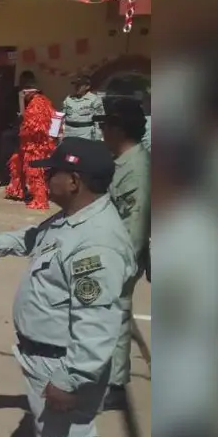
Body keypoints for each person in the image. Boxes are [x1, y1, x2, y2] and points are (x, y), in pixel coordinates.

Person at [0, 137, 136, 437]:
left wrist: (71, 381)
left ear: (74, 181)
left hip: (62, 364)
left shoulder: (97, 243)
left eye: (52, 172)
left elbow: (97, 324)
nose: (45, 178)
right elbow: (38, 236)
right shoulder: (74, 218)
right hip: (44, 358)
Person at [94, 98, 151, 410]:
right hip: (111, 253)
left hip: (121, 257)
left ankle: (114, 385)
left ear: (119, 130)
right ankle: (109, 378)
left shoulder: (136, 170)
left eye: (105, 126)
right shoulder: (124, 161)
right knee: (109, 316)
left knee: (114, 316)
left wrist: (120, 266)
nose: (101, 131)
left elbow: (136, 227)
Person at [5, 83, 55, 209]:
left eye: (25, 91)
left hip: (35, 145)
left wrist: (21, 100)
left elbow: (27, 121)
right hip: (27, 143)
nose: (24, 93)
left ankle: (40, 200)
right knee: (17, 163)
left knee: (34, 171)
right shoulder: (34, 102)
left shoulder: (38, 103)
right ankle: (17, 191)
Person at [0, 71, 36, 188]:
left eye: (27, 81)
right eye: (22, 80)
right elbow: (5, 106)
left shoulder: (35, 94)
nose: (24, 83)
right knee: (5, 154)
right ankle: (3, 178)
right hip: (13, 126)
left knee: (23, 157)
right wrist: (13, 114)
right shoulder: (14, 91)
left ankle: (20, 182)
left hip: (27, 129)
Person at [62, 75, 105, 141]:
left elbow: (99, 121)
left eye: (79, 85)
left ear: (87, 87)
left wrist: (98, 138)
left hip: (85, 135)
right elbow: (62, 117)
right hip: (69, 134)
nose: (76, 87)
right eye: (75, 85)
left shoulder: (94, 100)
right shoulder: (69, 99)